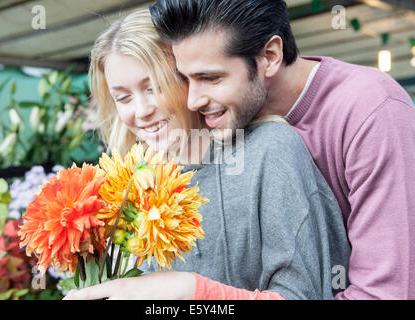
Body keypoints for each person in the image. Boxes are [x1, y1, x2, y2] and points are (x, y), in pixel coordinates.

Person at [63, 8, 350, 300]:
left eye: (155, 87)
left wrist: (192, 292)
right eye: (123, 97)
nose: (141, 111)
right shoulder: (125, 189)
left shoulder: (269, 151)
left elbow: (305, 294)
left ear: (190, 78)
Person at [148, 0, 415, 299]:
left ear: (270, 56)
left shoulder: (372, 110)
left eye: (210, 78)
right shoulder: (222, 123)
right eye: (186, 79)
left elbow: (385, 293)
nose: (192, 101)